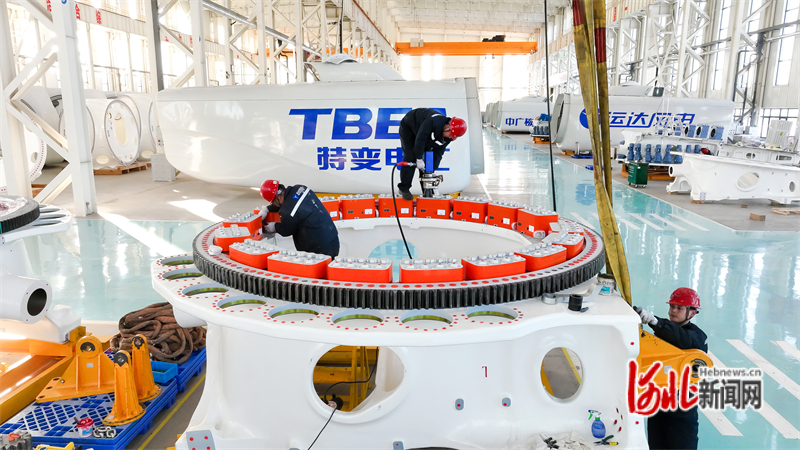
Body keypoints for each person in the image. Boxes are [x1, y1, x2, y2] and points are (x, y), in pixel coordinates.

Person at [635, 287, 707, 450]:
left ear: (692, 313)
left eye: (679, 308)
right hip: (659, 403)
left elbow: (683, 338)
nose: (673, 311)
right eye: (672, 306)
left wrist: (655, 321)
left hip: (681, 409)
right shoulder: (663, 333)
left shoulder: (698, 337)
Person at [396, 108, 467, 200]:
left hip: (423, 132)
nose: (450, 138)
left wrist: (432, 169)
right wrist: (418, 158)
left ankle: (427, 191)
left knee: (428, 161)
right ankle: (404, 188)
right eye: (451, 135)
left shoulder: (448, 136)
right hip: (409, 126)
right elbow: (420, 140)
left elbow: (439, 152)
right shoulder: (432, 122)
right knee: (411, 156)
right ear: (447, 128)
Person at [260, 179, 339, 258]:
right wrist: (267, 209)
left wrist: (274, 226)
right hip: (332, 238)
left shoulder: (288, 212)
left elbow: (286, 230)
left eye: (273, 202)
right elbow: (292, 203)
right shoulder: (300, 188)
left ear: (278, 198)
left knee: (322, 266)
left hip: (319, 249)